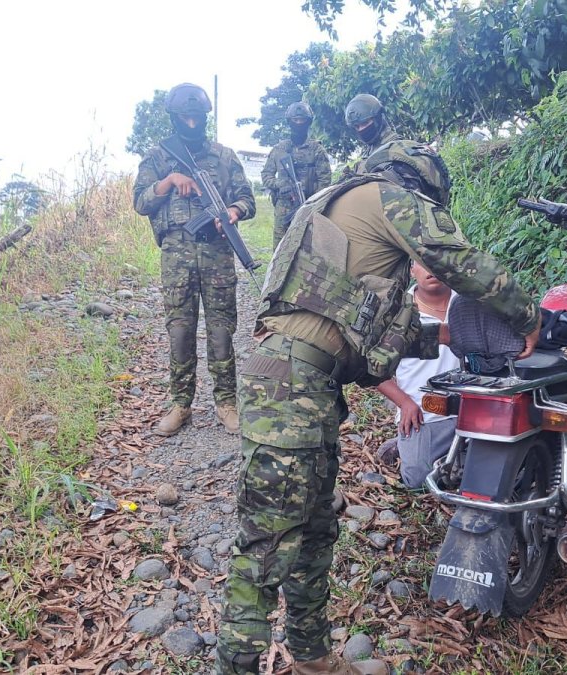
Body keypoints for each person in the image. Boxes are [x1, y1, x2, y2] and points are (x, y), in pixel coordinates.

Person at [216, 139, 541, 675]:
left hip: (307, 389)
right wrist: (526, 318)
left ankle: (313, 657)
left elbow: (367, 343)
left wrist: (446, 335)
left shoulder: (340, 214)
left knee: (316, 530)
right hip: (290, 390)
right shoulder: (387, 197)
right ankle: (236, 665)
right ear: (419, 184)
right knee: (267, 544)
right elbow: (462, 262)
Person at [132, 83, 256, 437]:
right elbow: (140, 202)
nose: (191, 122)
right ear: (173, 118)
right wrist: (169, 181)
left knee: (221, 333)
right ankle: (181, 405)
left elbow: (248, 198)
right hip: (176, 258)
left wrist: (233, 210)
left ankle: (226, 403)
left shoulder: (225, 156)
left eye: (196, 117)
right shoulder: (158, 158)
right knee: (180, 332)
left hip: (217, 255)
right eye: (184, 117)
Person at [375, 262, 460, 489]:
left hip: (472, 405)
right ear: (411, 269)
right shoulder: (397, 311)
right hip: (425, 411)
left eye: (437, 261)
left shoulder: (468, 303)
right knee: (419, 481)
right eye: (421, 263)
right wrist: (404, 403)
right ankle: (407, 444)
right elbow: (372, 369)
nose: (431, 269)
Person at [260, 102, 331, 247]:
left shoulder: (317, 149)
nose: (299, 123)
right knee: (280, 249)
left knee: (307, 250)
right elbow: (266, 175)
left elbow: (325, 181)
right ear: (289, 122)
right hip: (283, 208)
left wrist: (312, 203)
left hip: (308, 206)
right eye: (295, 120)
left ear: (308, 122)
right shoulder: (279, 149)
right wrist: (279, 184)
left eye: (302, 120)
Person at [345, 94, 399, 160]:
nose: (361, 129)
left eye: (365, 123)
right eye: (357, 126)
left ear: (378, 118)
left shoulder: (399, 149)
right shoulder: (367, 154)